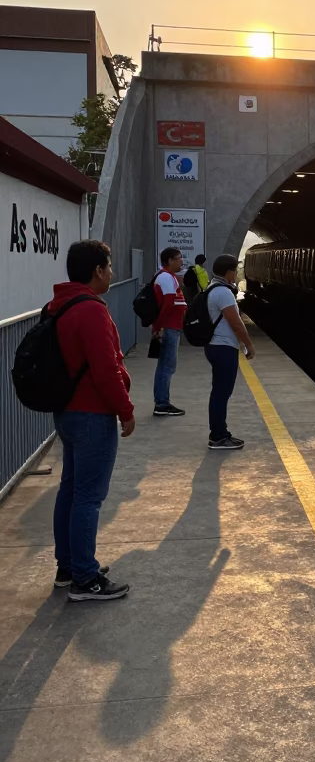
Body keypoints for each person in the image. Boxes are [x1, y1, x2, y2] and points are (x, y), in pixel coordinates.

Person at [49, 240, 134, 602]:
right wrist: (126, 410)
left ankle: (68, 567)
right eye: (109, 267)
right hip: (93, 415)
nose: (111, 273)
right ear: (98, 271)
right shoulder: (92, 311)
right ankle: (86, 579)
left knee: (70, 490)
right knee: (89, 497)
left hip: (68, 412)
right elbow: (106, 370)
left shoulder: (59, 305)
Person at [204, 253, 256, 449]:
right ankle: (218, 437)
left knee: (219, 392)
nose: (236, 274)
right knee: (221, 393)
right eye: (235, 271)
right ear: (228, 272)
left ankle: (220, 433)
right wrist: (248, 344)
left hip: (215, 346)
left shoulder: (213, 287)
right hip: (223, 347)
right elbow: (236, 322)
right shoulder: (223, 292)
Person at [152, 247, 187, 416]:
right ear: (170, 261)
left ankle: (162, 402)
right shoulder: (165, 278)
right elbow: (167, 305)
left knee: (166, 365)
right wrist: (159, 327)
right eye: (179, 258)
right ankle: (162, 404)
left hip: (171, 326)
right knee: (167, 366)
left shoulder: (169, 277)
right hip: (169, 327)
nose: (182, 261)